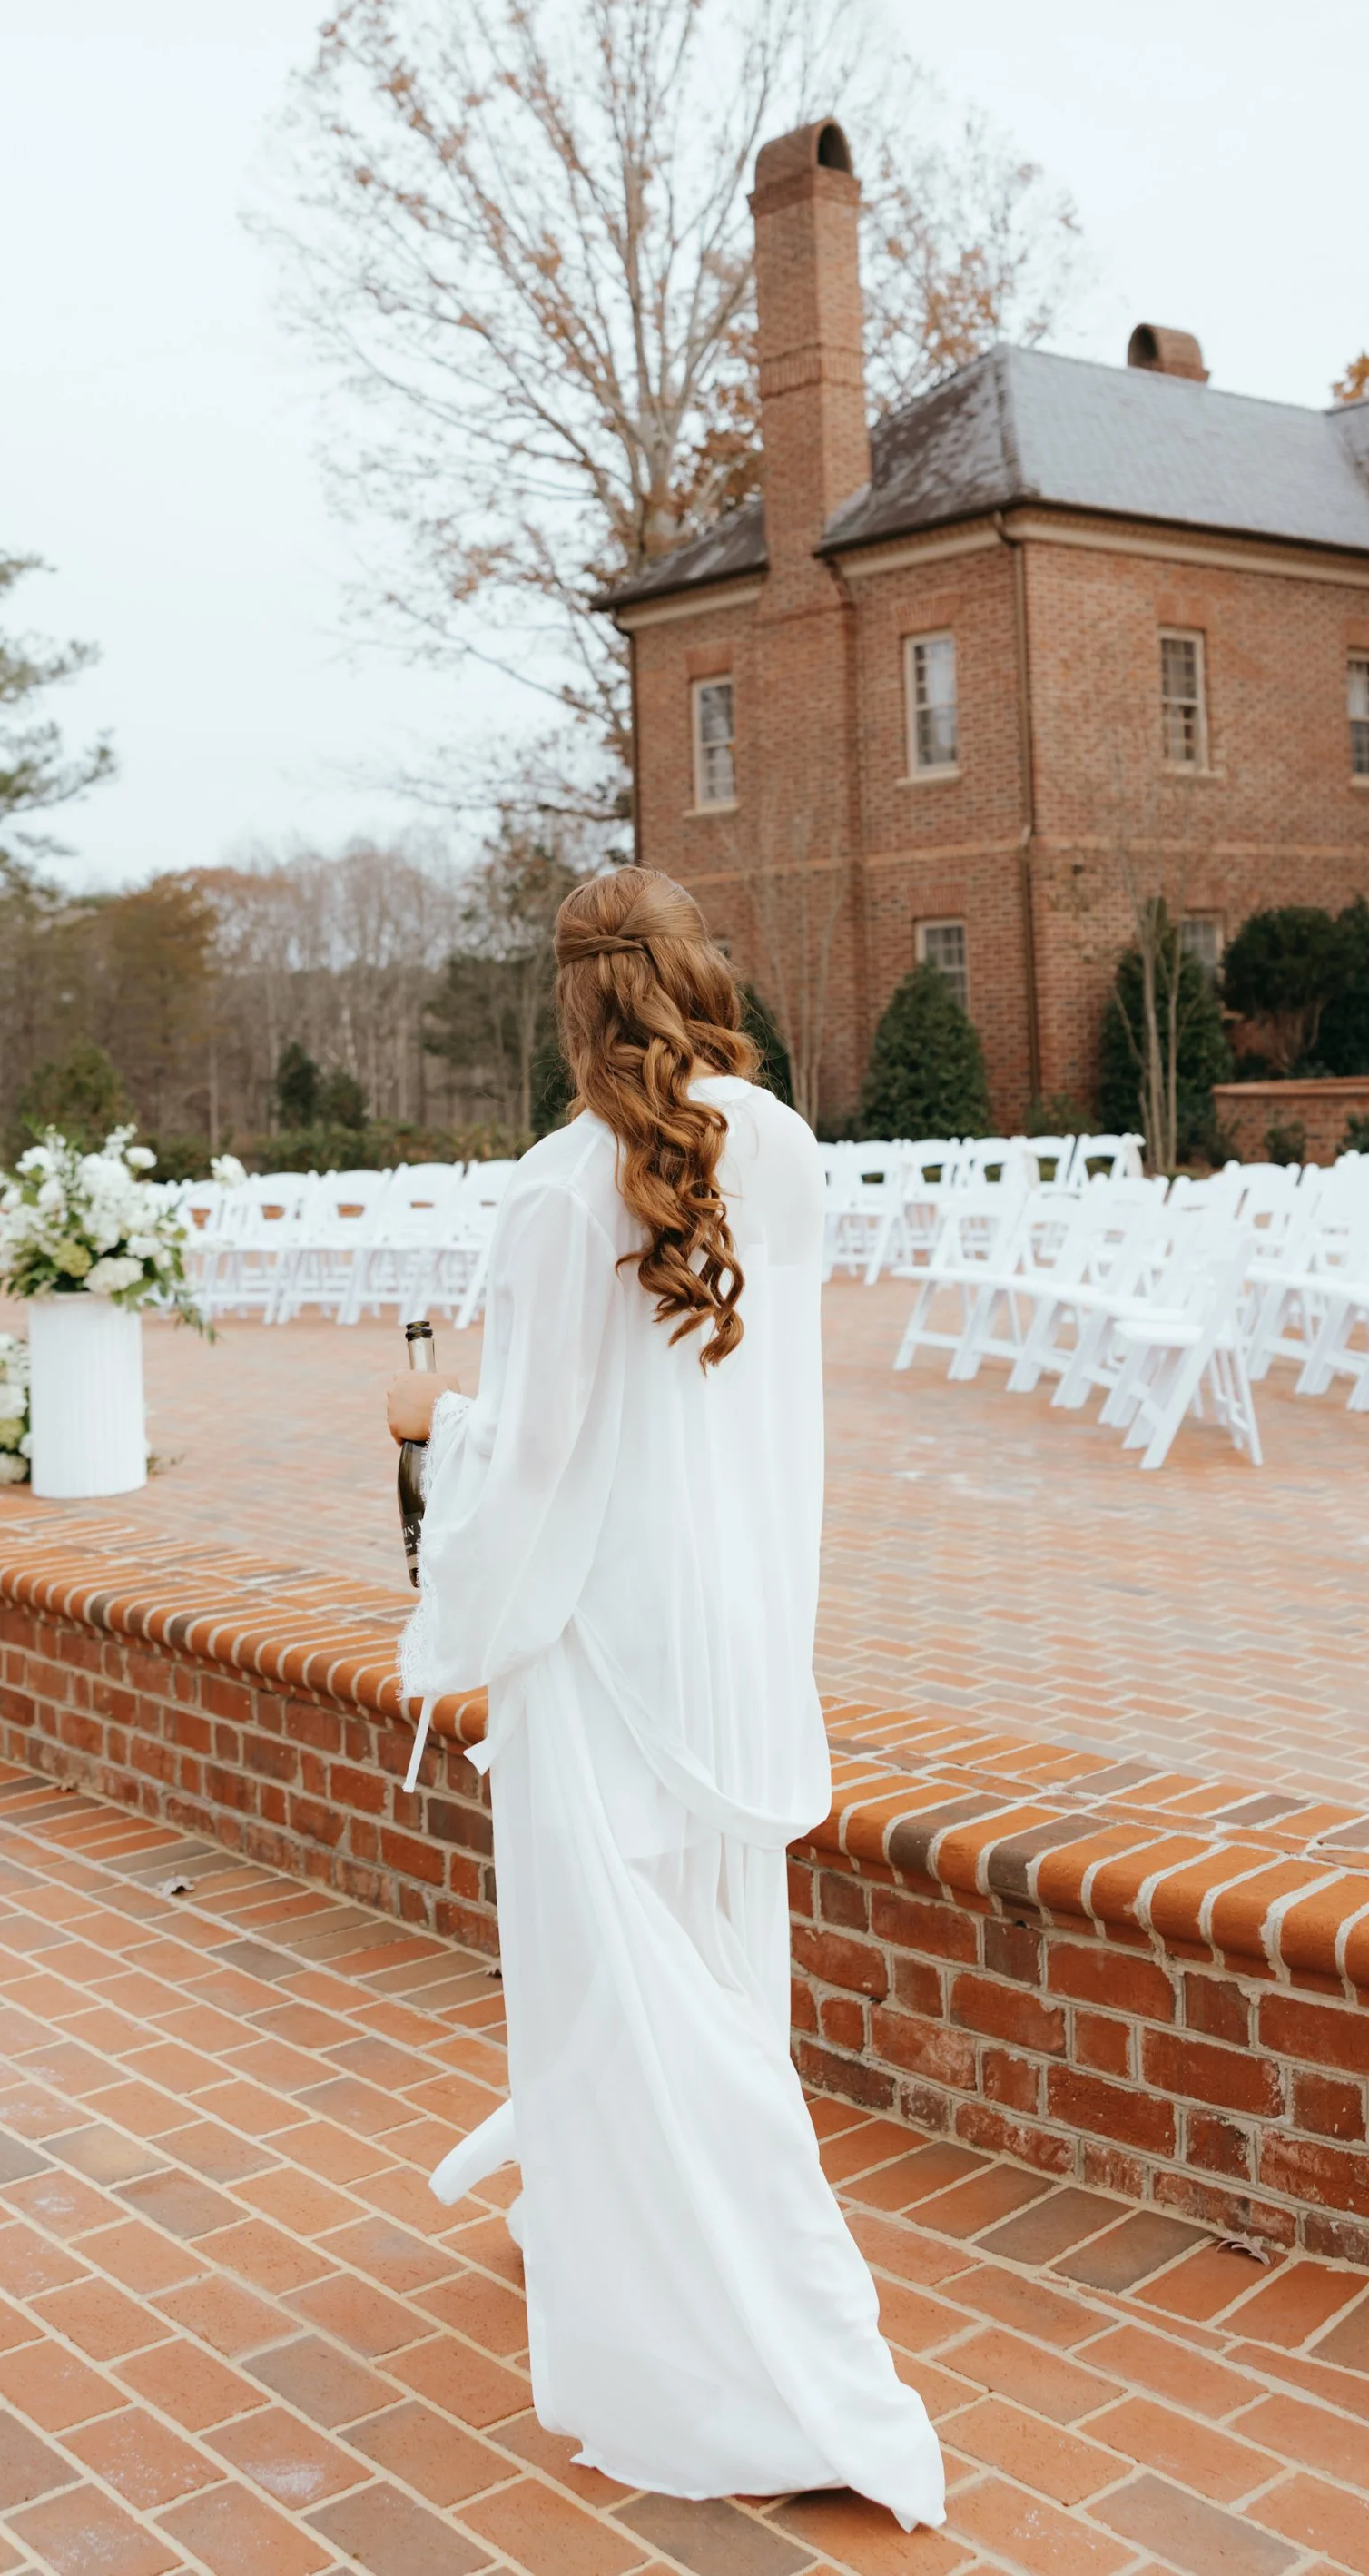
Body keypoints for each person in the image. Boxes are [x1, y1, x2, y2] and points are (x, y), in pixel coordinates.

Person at [384, 865, 944, 2526]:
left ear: (567, 999)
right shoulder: (776, 1144)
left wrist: (433, 1426)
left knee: (621, 1978)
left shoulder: (564, 1189)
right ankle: (609, 2218)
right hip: (741, 1614)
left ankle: (748, 2331)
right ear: (697, 971)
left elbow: (545, 1450)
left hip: (611, 1638)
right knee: (710, 1958)